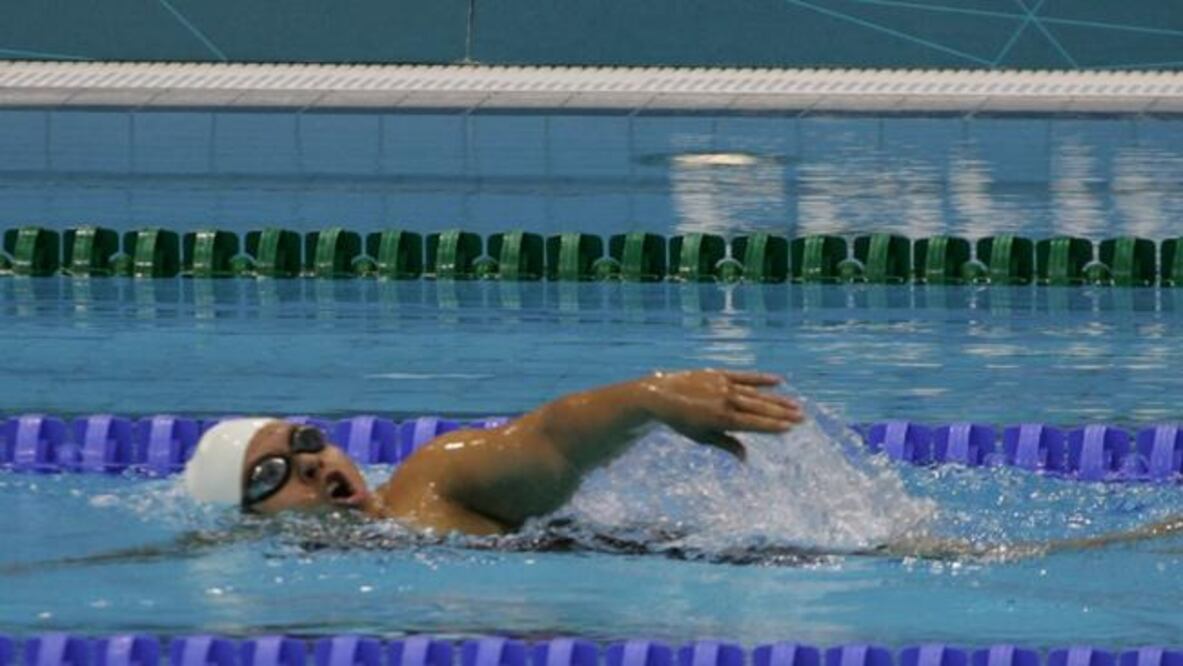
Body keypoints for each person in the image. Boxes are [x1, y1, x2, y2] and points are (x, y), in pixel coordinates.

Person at [183, 369, 805, 536]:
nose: (312, 463)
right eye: (272, 474)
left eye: (306, 442)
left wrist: (646, 399)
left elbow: (547, 441)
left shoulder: (430, 482)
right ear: (247, 519)